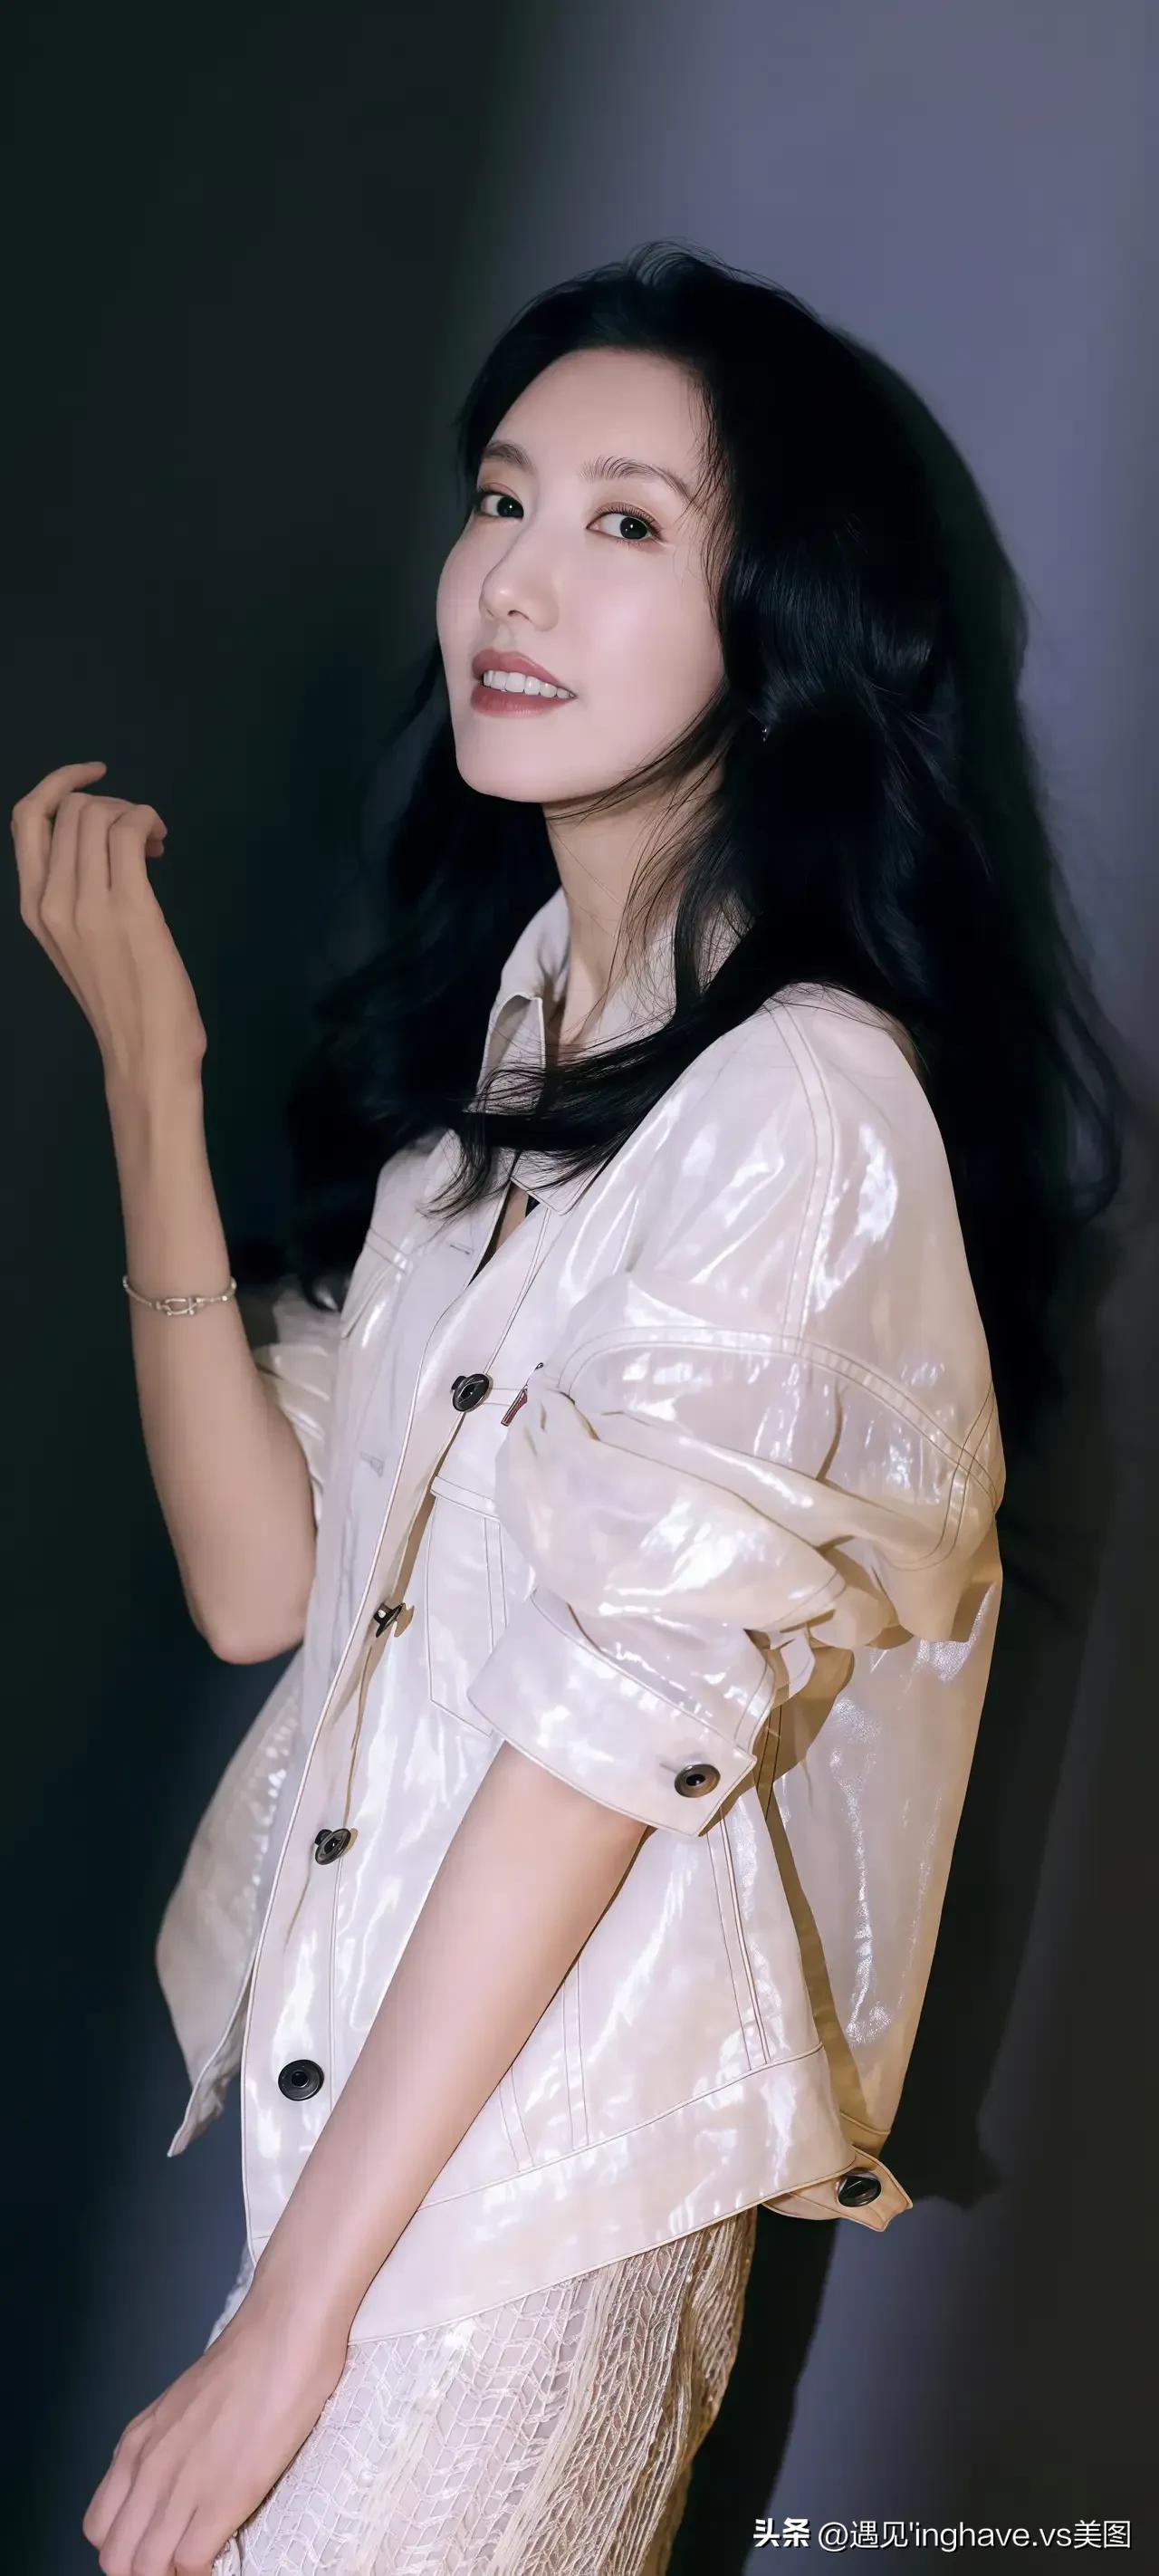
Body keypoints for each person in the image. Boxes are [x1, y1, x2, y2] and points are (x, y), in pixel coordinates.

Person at [15, 243, 1124, 2576]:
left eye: (628, 523)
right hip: (372, 2192)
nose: (515, 579)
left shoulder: (800, 1100)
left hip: (518, 2239)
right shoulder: (507, 1084)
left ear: (785, 624)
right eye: (502, 499)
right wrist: (147, 1078)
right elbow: (260, 1585)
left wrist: (290, 2329)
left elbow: (603, 1747)